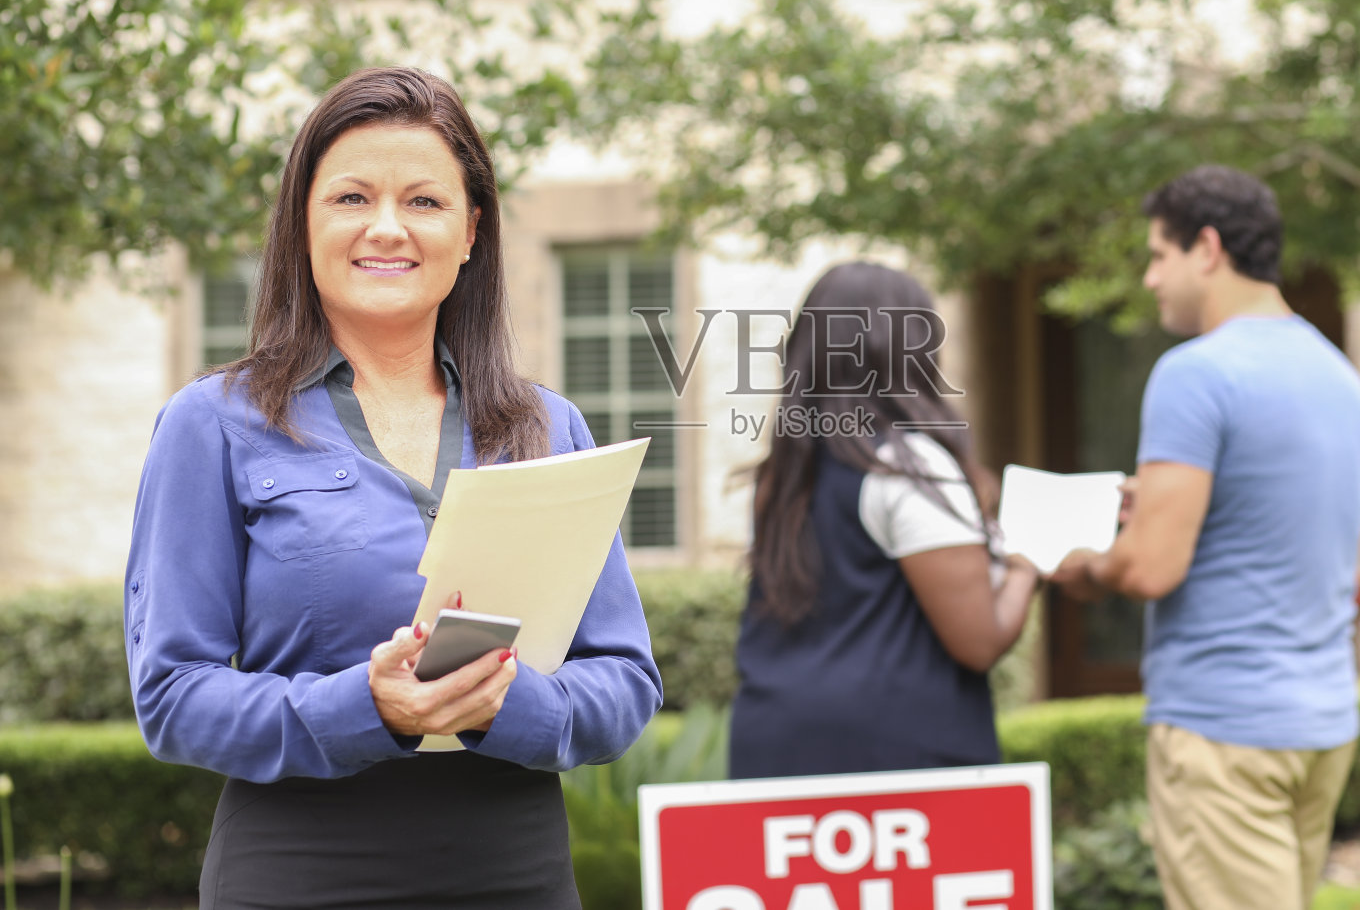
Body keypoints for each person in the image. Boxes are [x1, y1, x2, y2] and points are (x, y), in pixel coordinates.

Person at [124, 67, 663, 909]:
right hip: (298, 871)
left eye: (423, 200)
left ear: (472, 229)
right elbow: (173, 695)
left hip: (515, 874)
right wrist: (365, 707)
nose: (387, 228)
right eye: (350, 198)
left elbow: (626, 681)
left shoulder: (546, 426)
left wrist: (507, 705)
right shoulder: (212, 424)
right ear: (303, 222)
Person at [1053, 165, 1360, 910]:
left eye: (1157, 255)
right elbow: (1282, 519)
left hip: (1226, 730)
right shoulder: (1339, 375)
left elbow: (1151, 569)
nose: (1148, 278)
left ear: (1206, 247)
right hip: (1322, 723)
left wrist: (1084, 565)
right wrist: (1167, 500)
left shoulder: (1194, 374)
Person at [729, 262, 1039, 779]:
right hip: (895, 768)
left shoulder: (779, 481)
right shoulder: (908, 466)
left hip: (775, 754)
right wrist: (1029, 565)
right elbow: (979, 641)